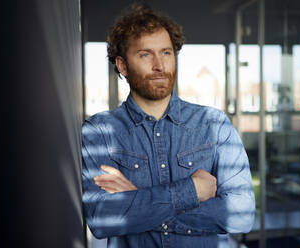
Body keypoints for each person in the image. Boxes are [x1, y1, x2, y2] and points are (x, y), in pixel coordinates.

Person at [82, 5, 255, 248]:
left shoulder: (214, 124)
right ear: (122, 66)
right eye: (145, 54)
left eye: (166, 53)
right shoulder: (99, 131)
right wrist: (192, 191)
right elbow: (102, 219)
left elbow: (242, 215)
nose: (159, 65)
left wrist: (136, 199)